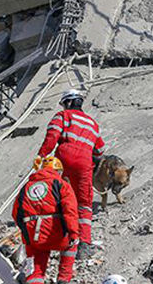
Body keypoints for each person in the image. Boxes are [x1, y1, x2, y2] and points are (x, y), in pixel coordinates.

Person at [11, 155, 79, 284]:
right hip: (56, 233)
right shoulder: (61, 184)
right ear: (58, 170)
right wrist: (73, 233)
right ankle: (63, 281)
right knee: (70, 246)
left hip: (33, 237)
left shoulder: (26, 187)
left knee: (34, 269)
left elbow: (16, 213)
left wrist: (26, 232)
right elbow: (70, 210)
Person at [37, 89, 103, 260]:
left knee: (57, 197)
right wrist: (91, 164)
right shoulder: (92, 124)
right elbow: (100, 150)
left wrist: (42, 156)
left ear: (67, 102)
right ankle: (84, 244)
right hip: (84, 162)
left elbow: (52, 136)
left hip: (63, 157)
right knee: (84, 204)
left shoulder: (62, 116)